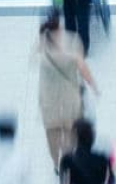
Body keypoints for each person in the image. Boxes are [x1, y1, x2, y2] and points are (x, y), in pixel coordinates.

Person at [37, 12, 97, 167]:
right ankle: (68, 161)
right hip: (70, 97)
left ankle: (56, 163)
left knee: (52, 134)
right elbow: (82, 67)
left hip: (48, 100)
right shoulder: (73, 40)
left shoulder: (41, 43)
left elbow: (34, 59)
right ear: (60, 24)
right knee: (71, 132)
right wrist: (93, 86)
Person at [59, 119, 113, 184]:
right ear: (92, 137)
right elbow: (111, 182)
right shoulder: (102, 159)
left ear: (77, 138)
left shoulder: (67, 160)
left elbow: (63, 183)